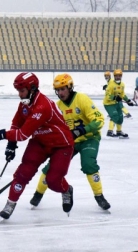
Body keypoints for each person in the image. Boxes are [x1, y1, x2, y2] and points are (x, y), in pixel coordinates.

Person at [0, 72, 74, 220]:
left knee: (52, 181)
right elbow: (16, 124)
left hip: (61, 145)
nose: (19, 95)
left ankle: (66, 190)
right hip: (40, 142)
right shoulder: (25, 103)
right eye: (18, 91)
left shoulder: (42, 106)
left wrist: (1, 135)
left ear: (32, 88)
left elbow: (24, 134)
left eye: (22, 91)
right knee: (23, 173)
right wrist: (11, 144)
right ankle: (10, 203)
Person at [30, 73, 111, 211]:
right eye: (58, 90)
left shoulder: (82, 99)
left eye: (63, 89)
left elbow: (99, 120)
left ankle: (99, 196)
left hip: (89, 139)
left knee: (88, 164)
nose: (60, 93)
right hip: (69, 142)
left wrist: (81, 131)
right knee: (51, 167)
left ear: (70, 87)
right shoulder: (57, 106)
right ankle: (38, 193)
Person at [103, 69, 134, 138]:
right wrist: (115, 97)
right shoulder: (111, 84)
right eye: (116, 76)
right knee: (115, 116)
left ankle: (119, 131)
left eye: (119, 76)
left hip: (116, 103)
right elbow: (107, 95)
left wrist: (128, 100)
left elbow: (122, 94)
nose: (118, 77)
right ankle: (110, 131)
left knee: (120, 118)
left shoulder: (122, 84)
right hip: (108, 104)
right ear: (114, 76)